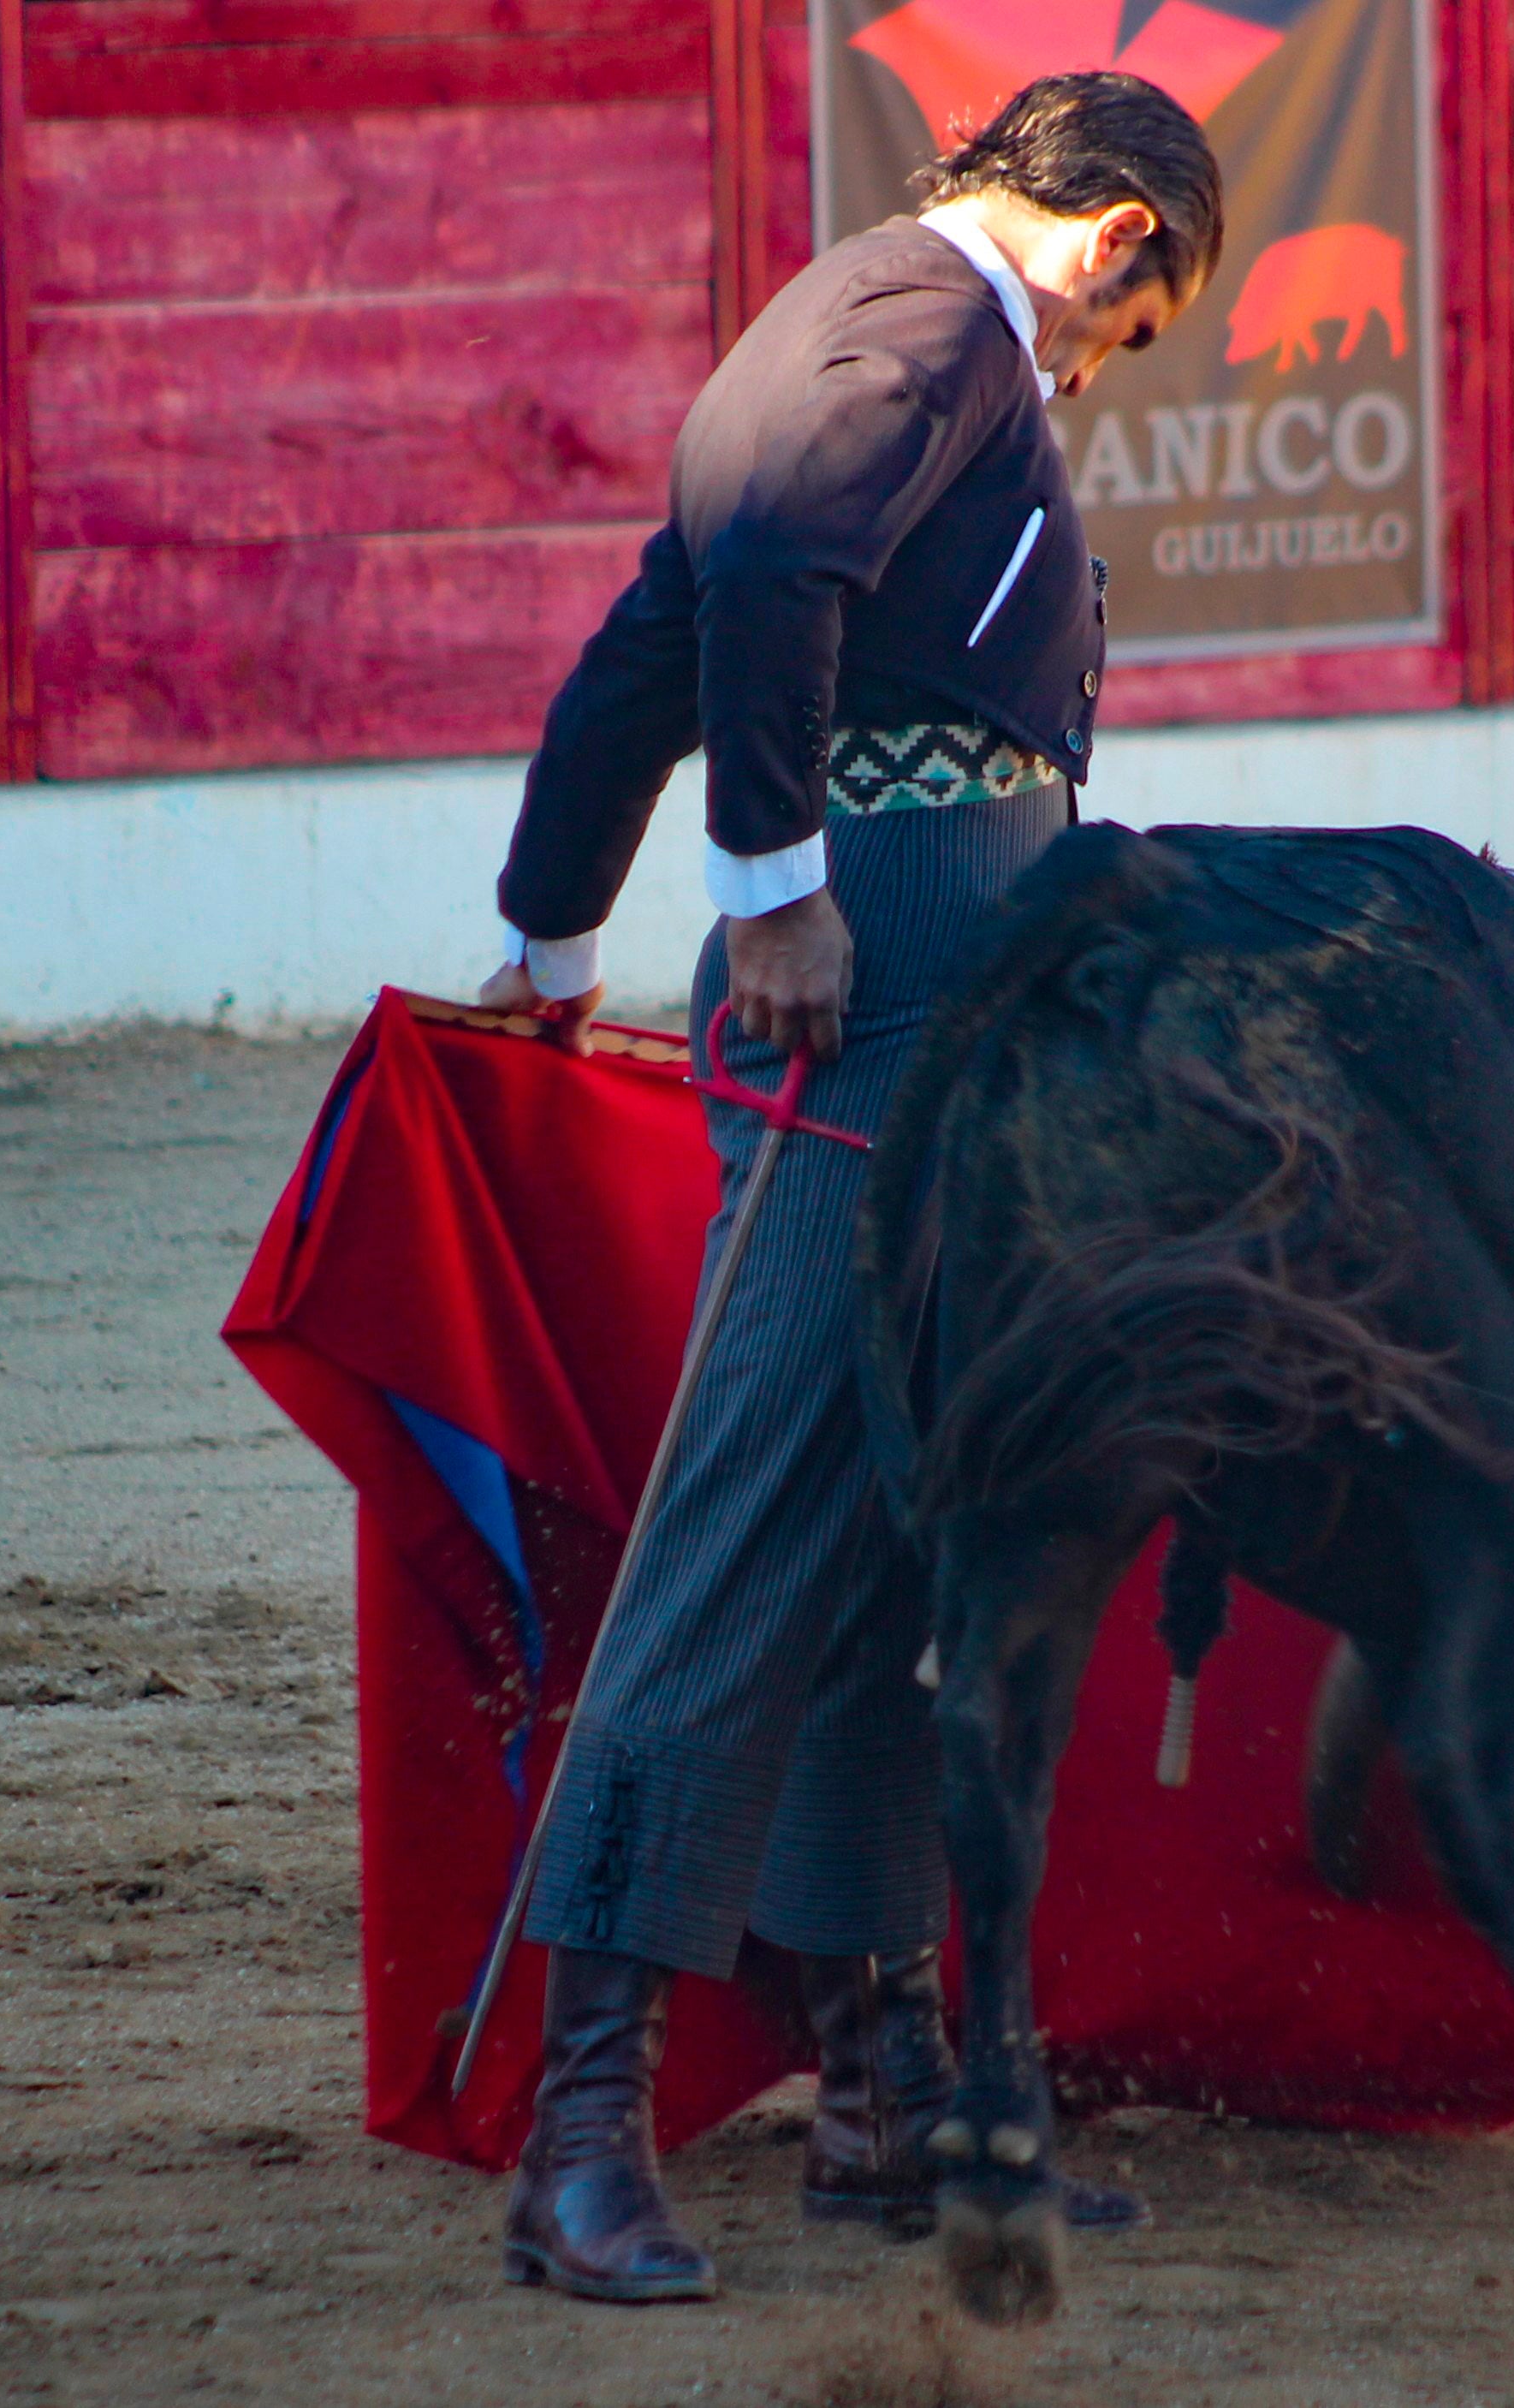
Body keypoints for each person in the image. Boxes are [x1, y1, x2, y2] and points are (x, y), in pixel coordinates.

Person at [472, 72, 1224, 2305]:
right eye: (1141, 321)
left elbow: (648, 645)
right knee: (758, 1507)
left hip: (927, 975)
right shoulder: (923, 317)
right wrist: (774, 893)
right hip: (879, 982)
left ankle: (885, 2085)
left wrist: (549, 930)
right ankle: (574, 2127)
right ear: (1111, 245)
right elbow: (773, 579)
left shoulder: (885, 326)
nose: (1111, 366)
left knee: (915, 1507)